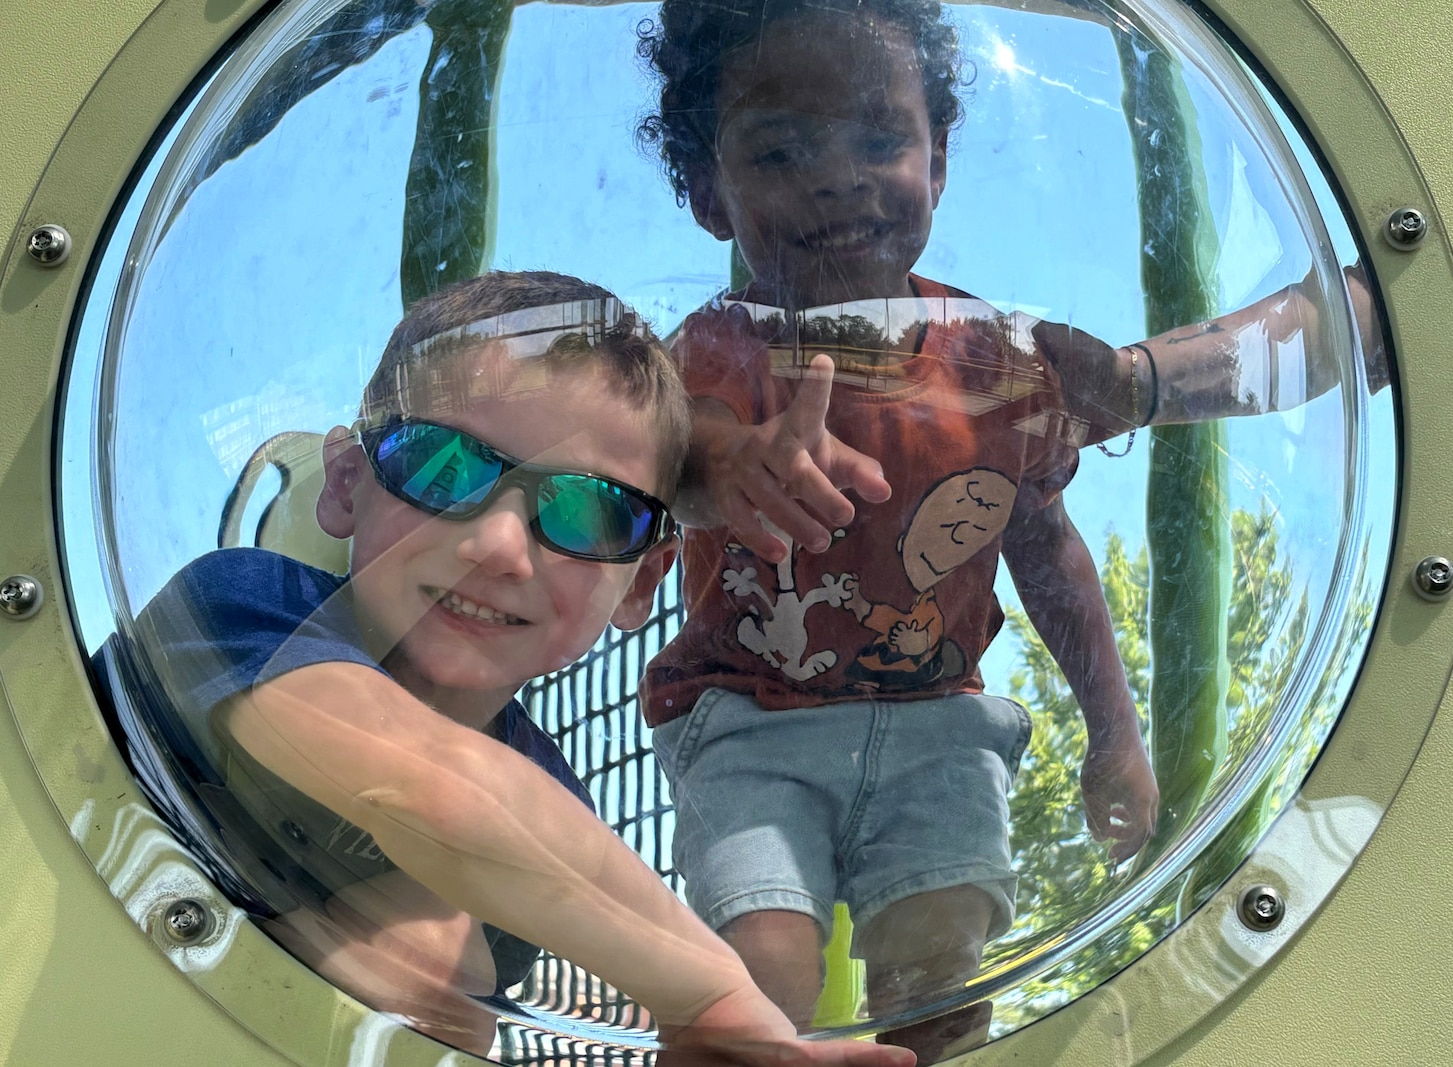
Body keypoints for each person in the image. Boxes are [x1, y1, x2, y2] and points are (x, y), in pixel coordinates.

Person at [98, 269, 915, 1067]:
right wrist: (709, 995)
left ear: (642, 583)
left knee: (441, 950)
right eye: (441, 465)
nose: (496, 547)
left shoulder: (550, 807)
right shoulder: (242, 605)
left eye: (587, 510)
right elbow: (427, 786)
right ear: (347, 481)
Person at [635, 1, 1164, 1059]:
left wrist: (1114, 731)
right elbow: (666, 456)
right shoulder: (708, 353)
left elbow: (1044, 549)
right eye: (779, 149)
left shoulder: (992, 359)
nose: (837, 176)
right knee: (758, 970)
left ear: (938, 160)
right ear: (706, 189)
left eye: (879, 140)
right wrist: (723, 463)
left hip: (935, 723)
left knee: (940, 966)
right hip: (750, 715)